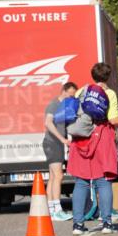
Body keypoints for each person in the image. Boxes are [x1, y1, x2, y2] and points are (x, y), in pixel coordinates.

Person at [69, 63, 118, 234]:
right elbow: (113, 119)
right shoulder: (109, 93)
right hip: (101, 137)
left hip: (82, 138)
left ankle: (78, 224)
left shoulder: (82, 90)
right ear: (108, 76)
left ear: (93, 75)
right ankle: (107, 223)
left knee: (81, 182)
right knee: (103, 181)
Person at [43, 82, 78, 221]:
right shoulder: (54, 104)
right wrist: (62, 139)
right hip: (52, 143)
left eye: (73, 95)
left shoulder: (65, 105)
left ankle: (51, 210)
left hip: (54, 143)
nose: (71, 97)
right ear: (63, 91)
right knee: (58, 176)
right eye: (70, 94)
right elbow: (48, 123)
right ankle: (57, 210)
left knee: (53, 177)